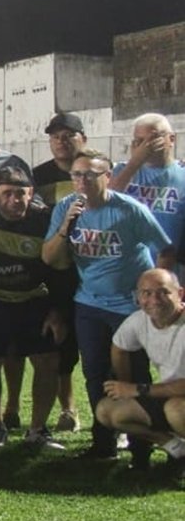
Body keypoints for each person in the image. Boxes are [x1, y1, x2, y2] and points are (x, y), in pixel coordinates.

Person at [43, 149, 173, 461]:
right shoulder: (65, 208)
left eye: (90, 174)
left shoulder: (129, 210)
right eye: (76, 174)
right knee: (94, 372)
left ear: (107, 176)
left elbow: (165, 250)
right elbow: (50, 258)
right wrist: (66, 227)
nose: (82, 180)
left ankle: (140, 446)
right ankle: (104, 443)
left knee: (133, 375)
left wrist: (155, 292)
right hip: (89, 305)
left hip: (129, 308)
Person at [0, 166, 68, 449]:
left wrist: (58, 309)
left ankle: (38, 429)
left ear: (31, 194)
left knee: (47, 361)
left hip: (32, 298)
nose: (14, 200)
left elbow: (60, 268)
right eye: (7, 193)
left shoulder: (45, 219)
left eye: (21, 193)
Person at [98, 267, 185, 474]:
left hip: (177, 400)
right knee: (108, 410)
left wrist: (137, 390)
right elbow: (119, 348)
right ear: (138, 297)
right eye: (146, 293)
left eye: (163, 292)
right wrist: (125, 385)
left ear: (180, 294)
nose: (154, 299)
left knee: (176, 410)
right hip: (170, 395)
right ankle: (177, 448)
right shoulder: (139, 320)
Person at [31, 111, 86, 432]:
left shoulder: (98, 169)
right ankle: (69, 410)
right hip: (59, 270)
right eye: (55, 137)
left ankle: (113, 416)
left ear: (83, 139)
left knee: (102, 346)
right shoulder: (38, 176)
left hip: (95, 266)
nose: (61, 142)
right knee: (62, 345)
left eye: (68, 135)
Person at [110, 113, 185, 256]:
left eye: (153, 139)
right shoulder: (122, 171)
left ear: (171, 139)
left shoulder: (182, 173)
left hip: (169, 262)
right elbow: (105, 201)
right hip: (129, 263)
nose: (146, 146)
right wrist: (135, 161)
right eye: (140, 141)